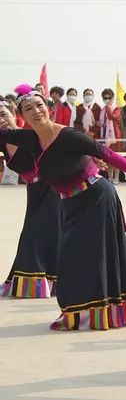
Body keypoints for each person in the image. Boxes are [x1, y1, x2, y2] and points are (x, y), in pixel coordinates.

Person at [0, 84, 126, 330]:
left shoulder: (68, 136)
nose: (35, 111)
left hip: (96, 197)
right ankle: (82, 314)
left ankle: (113, 312)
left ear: (49, 108)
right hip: (70, 203)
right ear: (22, 116)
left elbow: (107, 154)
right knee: (71, 260)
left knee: (98, 256)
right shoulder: (28, 138)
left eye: (39, 106)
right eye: (28, 109)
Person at [0, 101, 60, 298]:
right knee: (34, 233)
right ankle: (47, 282)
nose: (1, 120)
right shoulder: (2, 141)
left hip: (51, 188)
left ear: (14, 114)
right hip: (33, 191)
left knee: (34, 235)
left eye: (3, 114)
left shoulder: (32, 134)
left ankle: (36, 284)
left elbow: (62, 145)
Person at [98, 89, 123, 184]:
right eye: (105, 98)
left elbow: (112, 117)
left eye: (109, 97)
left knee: (116, 158)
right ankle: (109, 177)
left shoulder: (116, 108)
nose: (107, 99)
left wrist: (108, 107)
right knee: (107, 158)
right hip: (105, 136)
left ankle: (116, 177)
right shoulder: (102, 109)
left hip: (114, 137)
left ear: (112, 98)